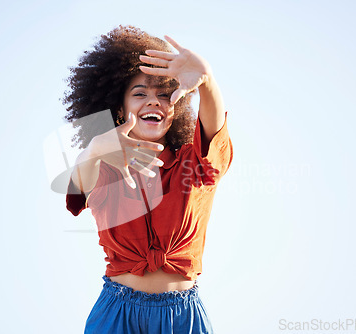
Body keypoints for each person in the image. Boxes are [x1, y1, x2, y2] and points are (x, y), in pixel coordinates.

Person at [63, 25, 233, 334]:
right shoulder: (103, 166)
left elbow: (214, 130)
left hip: (183, 317)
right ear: (119, 108)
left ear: (175, 109)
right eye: (139, 94)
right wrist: (96, 148)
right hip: (116, 314)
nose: (153, 101)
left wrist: (207, 81)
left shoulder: (192, 166)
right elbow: (80, 182)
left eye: (164, 95)